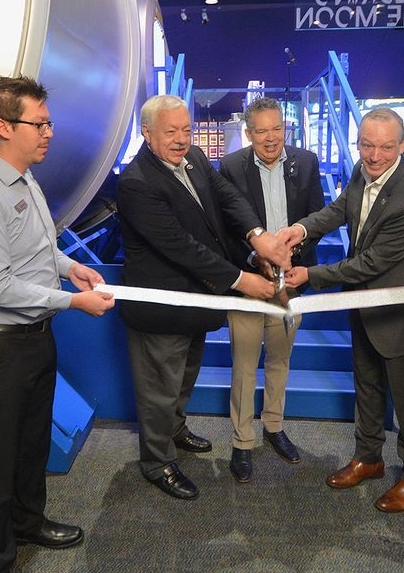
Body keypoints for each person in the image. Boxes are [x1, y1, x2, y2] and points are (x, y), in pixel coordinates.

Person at [0, 75, 114, 573]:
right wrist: (71, 301)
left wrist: (72, 267)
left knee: (29, 447)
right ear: (2, 127)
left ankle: (28, 522)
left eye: (48, 123)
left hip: (32, 342)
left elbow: (38, 254)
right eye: (38, 124)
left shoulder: (26, 182)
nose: (48, 133)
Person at [117, 94, 290, 500]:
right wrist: (242, 280)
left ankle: (175, 432)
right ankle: (156, 461)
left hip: (197, 300)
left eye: (186, 130)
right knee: (159, 388)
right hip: (162, 308)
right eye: (170, 132)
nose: (181, 140)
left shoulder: (193, 156)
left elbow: (226, 198)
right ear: (147, 133)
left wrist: (256, 237)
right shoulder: (136, 183)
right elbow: (181, 247)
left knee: (184, 377)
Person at [279, 107, 404, 513]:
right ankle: (368, 458)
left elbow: (372, 263)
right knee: (367, 385)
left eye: (386, 146)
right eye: (367, 145)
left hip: (400, 312)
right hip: (362, 303)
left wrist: (309, 275)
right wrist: (302, 228)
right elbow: (340, 209)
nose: (374, 155)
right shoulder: (361, 170)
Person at [217, 97, 325, 482]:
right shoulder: (229, 168)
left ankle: (274, 428)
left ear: (285, 128)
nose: (270, 138)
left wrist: (293, 263)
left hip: (289, 282)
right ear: (248, 133)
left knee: (279, 360)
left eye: (276, 128)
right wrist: (252, 263)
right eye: (261, 131)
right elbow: (226, 230)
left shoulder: (306, 163)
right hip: (249, 283)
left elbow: (316, 221)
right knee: (245, 366)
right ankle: (242, 442)